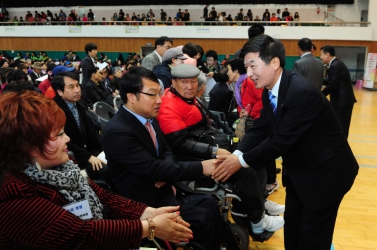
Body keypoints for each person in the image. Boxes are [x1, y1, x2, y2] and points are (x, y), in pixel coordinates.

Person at [214, 35, 359, 250]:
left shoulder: (301, 92)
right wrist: (236, 154)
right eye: (246, 68)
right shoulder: (270, 89)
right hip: (302, 173)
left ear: (274, 62)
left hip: (326, 175)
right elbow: (263, 127)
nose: (249, 75)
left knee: (312, 239)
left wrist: (241, 162)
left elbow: (280, 141)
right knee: (293, 231)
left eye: (253, 66)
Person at [0, 91, 193, 249]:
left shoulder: (64, 168)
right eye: (58, 135)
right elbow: (81, 234)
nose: (67, 139)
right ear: (30, 147)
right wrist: (149, 227)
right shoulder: (14, 193)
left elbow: (103, 197)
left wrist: (149, 213)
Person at [102, 66, 220, 249]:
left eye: (160, 94)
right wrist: (202, 167)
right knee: (202, 217)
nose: (159, 100)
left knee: (210, 203)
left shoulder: (149, 117)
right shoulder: (117, 131)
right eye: (152, 95)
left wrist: (165, 173)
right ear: (132, 97)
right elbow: (152, 169)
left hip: (165, 190)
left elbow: (167, 150)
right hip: (144, 204)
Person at [157, 63, 285, 232]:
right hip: (190, 157)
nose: (190, 86)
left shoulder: (188, 98)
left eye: (193, 81)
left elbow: (207, 121)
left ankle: (260, 201)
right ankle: (257, 222)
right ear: (173, 82)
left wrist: (228, 136)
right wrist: (214, 151)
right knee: (244, 168)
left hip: (205, 142)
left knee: (254, 155)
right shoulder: (169, 105)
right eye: (184, 82)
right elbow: (180, 144)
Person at [51, 71, 106, 179]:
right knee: (104, 169)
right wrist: (87, 157)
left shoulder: (81, 104)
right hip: (71, 156)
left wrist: (105, 148)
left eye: (77, 85)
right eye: (71, 87)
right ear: (60, 92)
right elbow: (65, 141)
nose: (77, 90)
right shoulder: (54, 110)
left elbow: (92, 132)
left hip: (89, 149)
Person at [320, 45, 357, 139]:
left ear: (327, 55)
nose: (320, 57)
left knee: (341, 126)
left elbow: (333, 85)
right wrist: (320, 80)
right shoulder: (336, 63)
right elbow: (331, 79)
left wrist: (321, 94)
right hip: (343, 100)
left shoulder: (335, 65)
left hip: (342, 102)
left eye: (321, 54)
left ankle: (342, 149)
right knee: (341, 125)